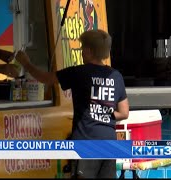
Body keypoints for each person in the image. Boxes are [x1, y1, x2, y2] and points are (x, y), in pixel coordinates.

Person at [15, 29, 129, 178]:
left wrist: (26, 63)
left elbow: (45, 78)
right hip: (108, 142)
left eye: (82, 48)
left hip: (86, 142)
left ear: (89, 50)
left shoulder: (79, 73)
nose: (81, 52)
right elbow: (124, 113)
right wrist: (102, 113)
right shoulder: (116, 76)